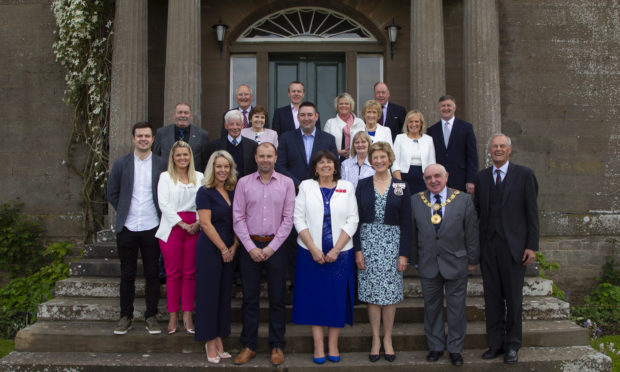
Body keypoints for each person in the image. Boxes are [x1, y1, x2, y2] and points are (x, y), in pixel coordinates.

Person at [474, 134, 539, 364]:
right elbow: (478, 213)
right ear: (489, 151)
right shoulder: (481, 178)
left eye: (502, 146)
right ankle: (495, 344)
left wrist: (532, 246)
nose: (498, 150)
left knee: (513, 299)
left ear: (509, 150)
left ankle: (513, 344)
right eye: (494, 147)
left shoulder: (525, 175)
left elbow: (532, 213)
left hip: (514, 248)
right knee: (492, 299)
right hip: (488, 247)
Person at [292, 150, 359, 364]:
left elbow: (352, 219)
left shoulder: (346, 187)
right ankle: (319, 346)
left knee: (336, 299)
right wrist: (312, 248)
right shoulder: (306, 186)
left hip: (340, 253)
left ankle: (333, 345)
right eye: (321, 162)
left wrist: (336, 249)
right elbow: (298, 218)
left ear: (335, 166)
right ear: (315, 167)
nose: (326, 165)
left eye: (330, 162)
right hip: (309, 251)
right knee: (315, 299)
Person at [232, 142, 296, 366]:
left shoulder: (287, 183)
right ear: (256, 158)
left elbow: (289, 219)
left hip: (276, 247)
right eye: (262, 156)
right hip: (250, 246)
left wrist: (270, 248)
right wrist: (250, 247)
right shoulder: (243, 183)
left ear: (276, 158)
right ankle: (249, 345)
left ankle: (277, 345)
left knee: (278, 299)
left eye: (269, 156)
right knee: (250, 299)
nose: (266, 159)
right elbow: (238, 217)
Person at [410, 164, 479, 366]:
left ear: (446, 176)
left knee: (457, 309)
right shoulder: (415, 201)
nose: (433, 180)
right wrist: (415, 259)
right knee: (432, 308)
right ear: (424, 180)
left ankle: (456, 349)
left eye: (437, 176)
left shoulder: (463, 199)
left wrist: (473, 260)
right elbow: (413, 234)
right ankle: (436, 346)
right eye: (429, 177)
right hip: (428, 263)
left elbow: (472, 232)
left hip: (457, 262)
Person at [107, 121, 166, 335]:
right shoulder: (121, 163)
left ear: (152, 139)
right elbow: (112, 192)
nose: (143, 139)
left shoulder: (161, 164)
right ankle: (126, 316)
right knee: (127, 274)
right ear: (133, 138)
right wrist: (124, 210)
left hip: (152, 226)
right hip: (128, 226)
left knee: (152, 274)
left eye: (147, 136)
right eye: (139, 136)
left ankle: (151, 315)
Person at [354, 142, 411, 363]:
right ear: (371, 160)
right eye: (375, 157)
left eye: (383, 157)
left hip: (392, 244)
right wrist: (358, 250)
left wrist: (404, 253)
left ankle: (387, 338)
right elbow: (355, 220)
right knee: (372, 296)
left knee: (389, 297)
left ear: (390, 159)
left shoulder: (401, 186)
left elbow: (407, 222)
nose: (379, 161)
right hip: (368, 243)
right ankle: (375, 339)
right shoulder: (362, 185)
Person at [154, 141, 203, 335]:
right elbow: (163, 204)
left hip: (196, 226)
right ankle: (173, 314)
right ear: (173, 158)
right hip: (173, 225)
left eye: (185, 155)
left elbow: (203, 201)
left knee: (190, 273)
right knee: (173, 273)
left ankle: (187, 314)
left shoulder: (199, 177)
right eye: (178, 155)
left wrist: (198, 222)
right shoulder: (165, 177)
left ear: (190, 157)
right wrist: (182, 224)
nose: (182, 158)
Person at [195, 150, 239, 364]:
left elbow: (239, 220)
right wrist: (223, 248)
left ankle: (220, 337)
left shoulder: (233, 191)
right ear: (212, 168)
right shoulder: (205, 191)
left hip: (230, 250)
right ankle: (209, 341)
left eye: (226, 166)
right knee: (209, 296)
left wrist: (235, 246)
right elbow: (205, 223)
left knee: (223, 296)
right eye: (219, 166)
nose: (223, 170)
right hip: (211, 250)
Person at [276, 101, 338, 189]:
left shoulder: (328, 139)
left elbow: (334, 165)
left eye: (310, 115)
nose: (306, 118)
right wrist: (298, 184)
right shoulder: (286, 138)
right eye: (302, 115)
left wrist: (320, 184)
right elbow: (279, 166)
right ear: (298, 117)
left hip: (321, 190)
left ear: (316, 116)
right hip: (293, 190)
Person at [426, 95, 478, 193]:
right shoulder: (432, 130)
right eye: (443, 106)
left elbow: (472, 156)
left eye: (448, 105)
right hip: (437, 179)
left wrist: (471, 179)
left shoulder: (466, 128)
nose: (446, 108)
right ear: (439, 108)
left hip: (460, 178)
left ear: (454, 108)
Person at [153, 102, 210, 173]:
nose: (183, 115)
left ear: (191, 116)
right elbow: (155, 158)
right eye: (180, 112)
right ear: (174, 115)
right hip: (168, 177)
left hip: (193, 179)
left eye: (186, 113)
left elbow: (206, 162)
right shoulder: (162, 133)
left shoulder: (202, 135)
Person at [392, 110, 436, 193]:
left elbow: (432, 162)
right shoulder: (400, 138)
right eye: (410, 122)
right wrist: (399, 182)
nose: (413, 124)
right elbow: (394, 162)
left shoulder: (428, 139)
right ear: (407, 124)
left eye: (416, 121)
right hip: (403, 177)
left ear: (421, 123)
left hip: (423, 178)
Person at [207, 110, 258, 178]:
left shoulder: (253, 146)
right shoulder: (214, 146)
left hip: (245, 187)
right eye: (231, 124)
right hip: (223, 186)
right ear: (226, 126)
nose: (235, 127)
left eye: (238, 124)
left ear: (242, 126)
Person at [323, 93, 365, 160]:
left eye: (346, 104)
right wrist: (337, 152)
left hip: (357, 159)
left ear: (351, 106)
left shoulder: (359, 122)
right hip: (336, 160)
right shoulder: (330, 123)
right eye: (341, 104)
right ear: (337, 106)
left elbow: (365, 142)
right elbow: (324, 144)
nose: (343, 106)